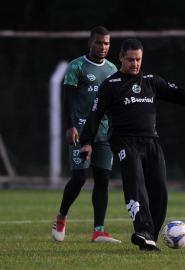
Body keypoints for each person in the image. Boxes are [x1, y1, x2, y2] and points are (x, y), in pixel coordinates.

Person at [79, 38, 185, 251]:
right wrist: (87, 142)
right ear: (121, 57)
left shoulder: (151, 81)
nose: (135, 64)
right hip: (124, 141)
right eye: (130, 59)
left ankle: (149, 236)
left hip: (151, 141)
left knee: (160, 190)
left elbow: (173, 91)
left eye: (138, 59)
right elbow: (95, 115)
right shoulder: (110, 85)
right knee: (136, 182)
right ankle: (141, 229)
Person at [52, 26, 120, 243]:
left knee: (102, 179)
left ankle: (98, 230)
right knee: (80, 177)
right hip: (80, 131)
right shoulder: (77, 66)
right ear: (90, 43)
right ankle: (61, 218)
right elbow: (68, 100)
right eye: (99, 43)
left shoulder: (112, 69)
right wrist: (70, 126)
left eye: (107, 43)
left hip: (104, 133)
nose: (103, 47)